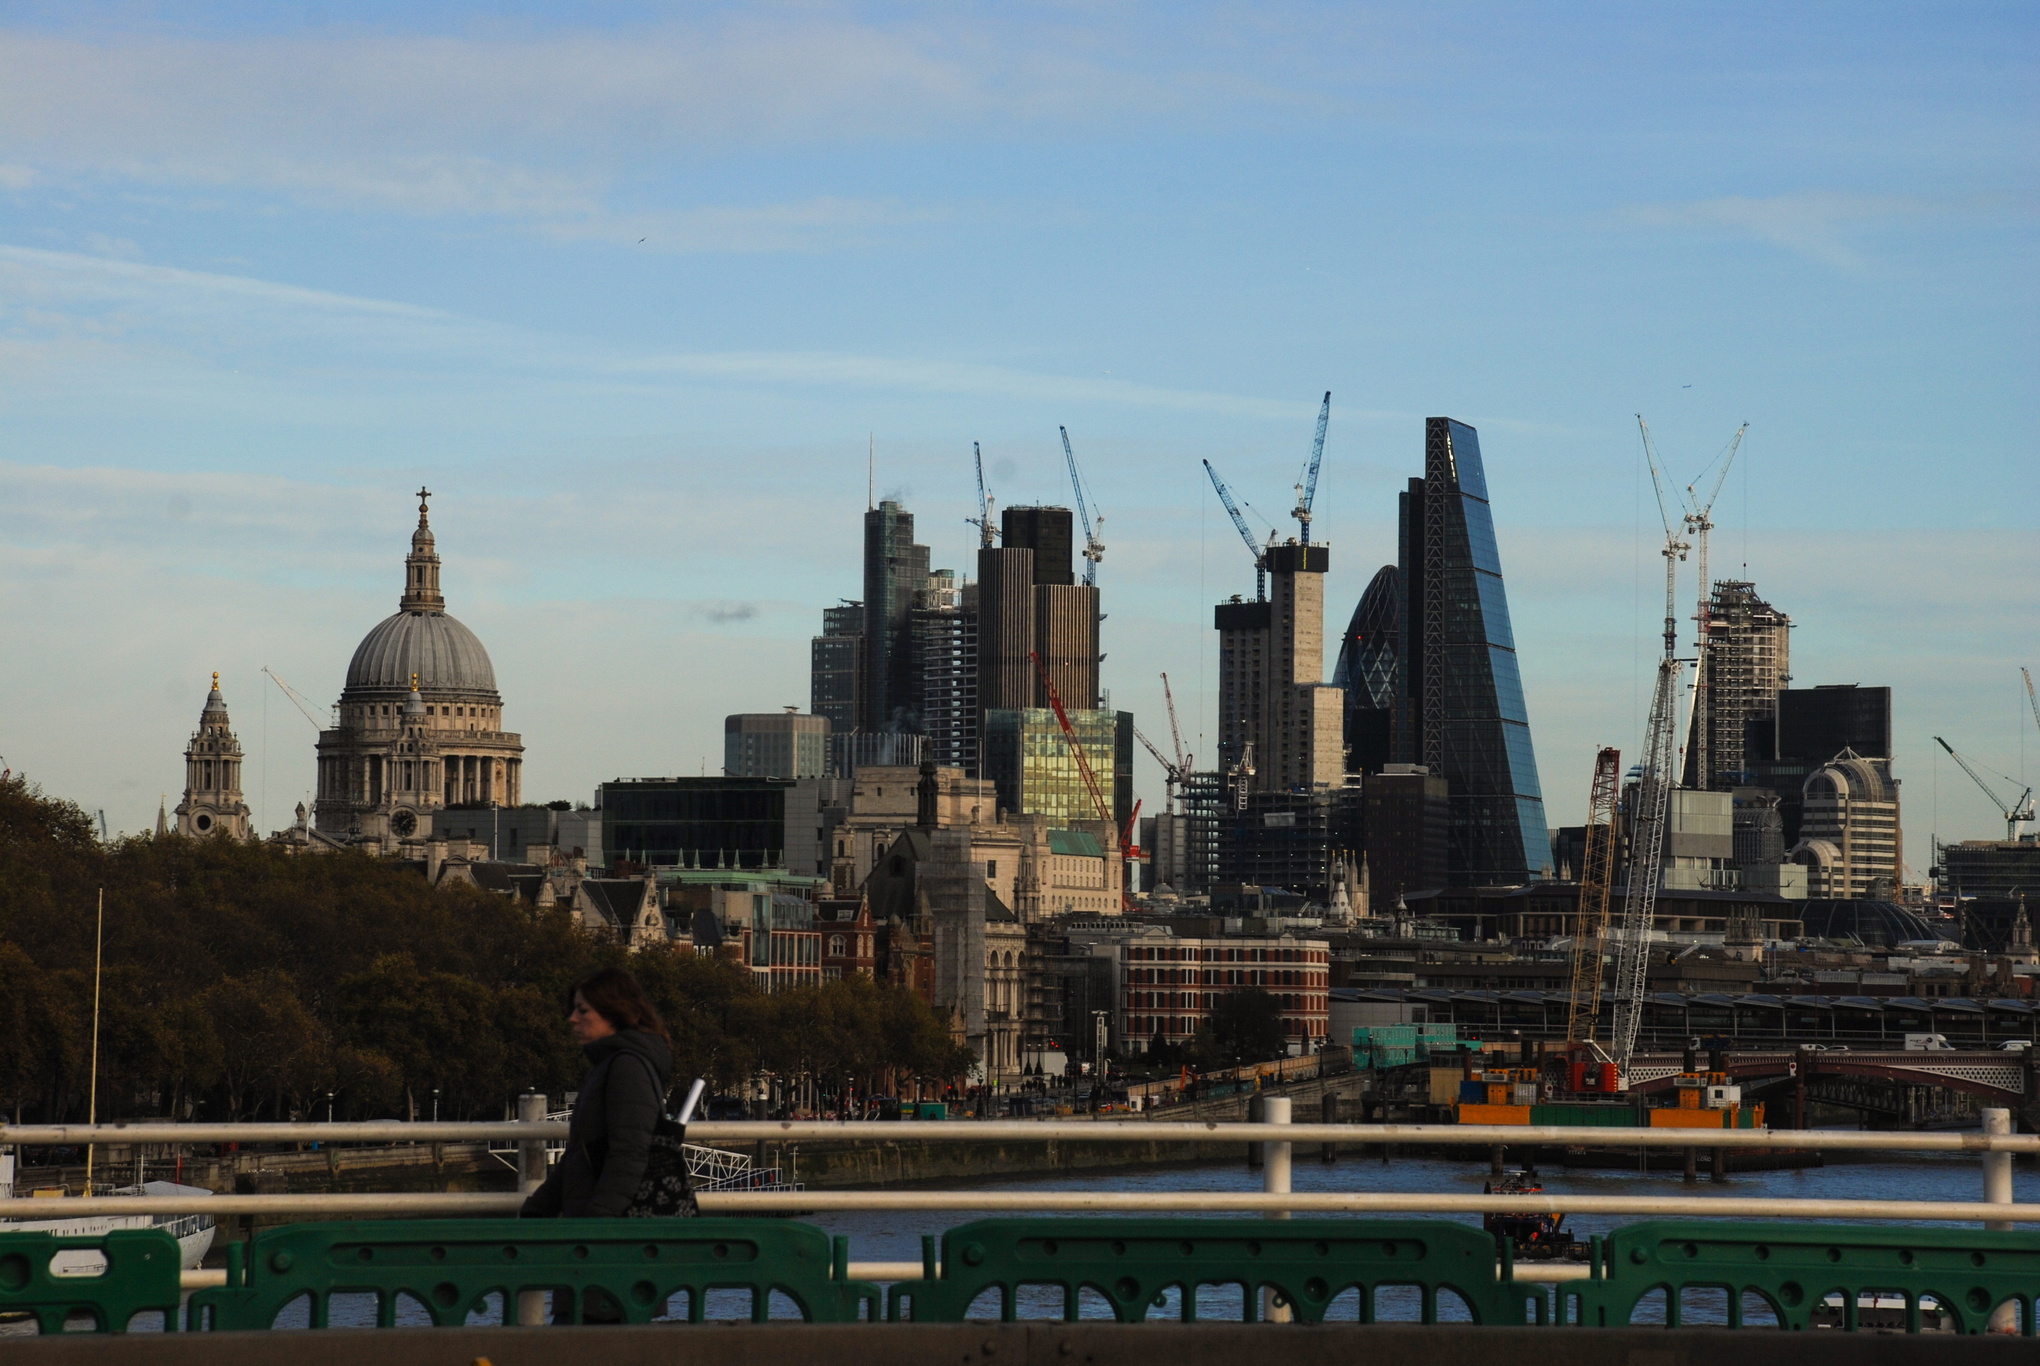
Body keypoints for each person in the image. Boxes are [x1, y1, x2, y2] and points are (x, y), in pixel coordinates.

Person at [520, 967, 673, 1221]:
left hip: (612, 1233)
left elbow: (629, 1156)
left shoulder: (626, 1068)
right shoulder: (608, 1066)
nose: (572, 1019)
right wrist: (537, 1210)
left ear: (614, 1014)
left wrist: (598, 1225)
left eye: (583, 1010)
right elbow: (580, 1155)